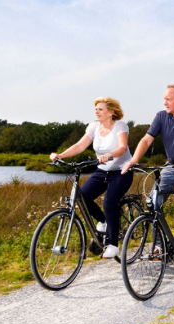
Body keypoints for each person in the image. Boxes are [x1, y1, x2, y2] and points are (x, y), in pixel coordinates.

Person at [122, 84, 174, 246]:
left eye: (168, 99)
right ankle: (160, 245)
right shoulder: (161, 117)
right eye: (164, 99)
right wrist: (134, 160)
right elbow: (147, 140)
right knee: (153, 202)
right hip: (171, 166)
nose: (164, 103)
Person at [50, 97, 132, 259]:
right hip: (102, 171)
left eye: (100, 109)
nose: (97, 112)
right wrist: (61, 155)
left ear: (111, 112)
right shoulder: (94, 127)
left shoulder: (120, 126)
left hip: (122, 171)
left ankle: (114, 245)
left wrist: (110, 154)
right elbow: (80, 146)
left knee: (109, 202)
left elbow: (122, 147)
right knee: (82, 197)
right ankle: (103, 221)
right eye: (96, 109)